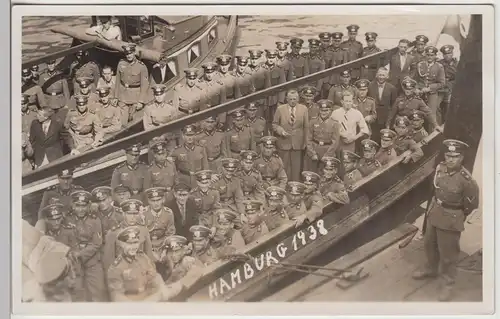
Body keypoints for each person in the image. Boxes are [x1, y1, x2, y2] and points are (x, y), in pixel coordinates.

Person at [412, 139, 479, 302]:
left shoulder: (466, 180)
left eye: (455, 156)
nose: (450, 159)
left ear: (461, 158)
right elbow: (435, 190)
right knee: (429, 244)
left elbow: (471, 204)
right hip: (435, 212)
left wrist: (456, 214)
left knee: (448, 255)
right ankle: (431, 268)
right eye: (448, 155)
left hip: (451, 218)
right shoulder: (440, 168)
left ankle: (448, 284)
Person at [107, 226, 182, 302]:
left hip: (150, 300)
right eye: (130, 243)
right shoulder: (116, 268)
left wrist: (162, 290)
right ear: (122, 245)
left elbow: (154, 277)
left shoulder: (143, 257)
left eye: (135, 242)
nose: (133, 247)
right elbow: (117, 297)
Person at [67, 190, 107, 301]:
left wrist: (80, 254)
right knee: (78, 294)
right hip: (74, 262)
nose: (81, 209)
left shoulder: (95, 220)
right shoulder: (67, 219)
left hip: (93, 261)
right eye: (78, 206)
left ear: (88, 206)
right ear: (73, 206)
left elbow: (97, 243)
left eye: (84, 206)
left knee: (98, 293)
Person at [103, 199, 154, 271]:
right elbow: (108, 261)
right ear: (123, 214)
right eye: (129, 214)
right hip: (121, 272)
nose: (132, 217)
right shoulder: (113, 233)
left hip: (141, 271)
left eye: (135, 213)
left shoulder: (144, 230)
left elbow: (149, 256)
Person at [272, 89, 309, 182]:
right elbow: (274, 124)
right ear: (286, 99)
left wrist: (305, 142)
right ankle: (284, 186)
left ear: (298, 99)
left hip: (298, 143)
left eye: (295, 99)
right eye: (291, 99)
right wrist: (281, 131)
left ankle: (295, 186)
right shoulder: (280, 109)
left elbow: (306, 127)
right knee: (284, 167)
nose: (293, 101)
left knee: (296, 168)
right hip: (284, 143)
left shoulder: (304, 109)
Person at [115, 43, 149, 125]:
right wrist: (116, 97)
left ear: (134, 53)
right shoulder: (121, 64)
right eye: (127, 54)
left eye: (130, 53)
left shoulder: (141, 66)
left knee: (134, 121)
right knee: (122, 122)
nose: (128, 55)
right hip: (123, 96)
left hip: (135, 97)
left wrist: (141, 101)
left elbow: (144, 85)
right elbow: (117, 81)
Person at [143, 84, 182, 153]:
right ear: (154, 96)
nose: (159, 97)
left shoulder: (171, 109)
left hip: (169, 139)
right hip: (155, 139)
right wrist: (156, 136)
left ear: (164, 94)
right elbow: (147, 126)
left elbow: (175, 127)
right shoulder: (148, 109)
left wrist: (165, 136)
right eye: (156, 95)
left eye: (160, 94)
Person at [413, 46, 446, 125]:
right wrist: (416, 88)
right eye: (428, 55)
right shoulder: (420, 65)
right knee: (416, 114)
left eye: (432, 55)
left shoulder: (439, 67)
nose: (429, 57)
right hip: (419, 93)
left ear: (435, 56)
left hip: (432, 93)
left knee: (431, 115)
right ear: (425, 55)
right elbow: (414, 80)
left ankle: (432, 133)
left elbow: (442, 83)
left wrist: (429, 88)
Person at [305, 99, 340, 173]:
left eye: (326, 110)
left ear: (330, 111)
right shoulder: (313, 121)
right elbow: (308, 139)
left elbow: (335, 142)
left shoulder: (335, 124)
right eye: (322, 110)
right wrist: (312, 153)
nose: (323, 112)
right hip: (315, 150)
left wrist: (328, 155)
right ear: (319, 110)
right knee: (312, 174)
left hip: (327, 151)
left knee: (326, 173)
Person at [367, 67, 398, 142]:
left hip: (386, 119)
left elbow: (394, 105)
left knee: (384, 139)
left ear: (387, 76)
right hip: (374, 119)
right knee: (373, 138)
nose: (381, 77)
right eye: (380, 75)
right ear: (376, 75)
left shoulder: (392, 88)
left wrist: (390, 121)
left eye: (383, 75)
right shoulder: (370, 86)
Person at [199, 61, 227, 128]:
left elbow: (223, 103)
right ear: (204, 73)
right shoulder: (200, 84)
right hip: (204, 115)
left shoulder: (220, 84)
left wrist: (221, 121)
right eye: (207, 72)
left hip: (216, 115)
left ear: (215, 72)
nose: (209, 75)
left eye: (211, 72)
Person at [263, 49, 287, 128]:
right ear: (266, 57)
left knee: (275, 120)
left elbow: (282, 86)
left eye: (273, 58)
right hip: (263, 99)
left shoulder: (279, 69)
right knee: (263, 120)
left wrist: (280, 101)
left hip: (275, 99)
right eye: (269, 57)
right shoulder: (261, 68)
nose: (271, 60)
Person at [324, 32, 349, 96]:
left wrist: (343, 81)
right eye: (335, 41)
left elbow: (345, 67)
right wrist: (325, 81)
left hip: (339, 79)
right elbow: (323, 68)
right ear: (332, 40)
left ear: (340, 41)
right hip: (328, 79)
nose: (336, 43)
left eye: (338, 41)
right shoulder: (326, 51)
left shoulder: (343, 52)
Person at [438, 44, 457, 122]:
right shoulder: (439, 63)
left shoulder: (457, 64)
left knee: (448, 107)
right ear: (443, 55)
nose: (447, 56)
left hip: (451, 88)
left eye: (449, 53)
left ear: (452, 54)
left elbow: (459, 77)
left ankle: (447, 123)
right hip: (440, 88)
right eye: (445, 54)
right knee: (436, 107)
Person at [247, 49, 268, 118]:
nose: (254, 61)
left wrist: (264, 102)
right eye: (252, 59)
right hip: (248, 100)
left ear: (259, 59)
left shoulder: (264, 70)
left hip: (260, 101)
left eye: (256, 59)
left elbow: (267, 88)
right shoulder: (246, 69)